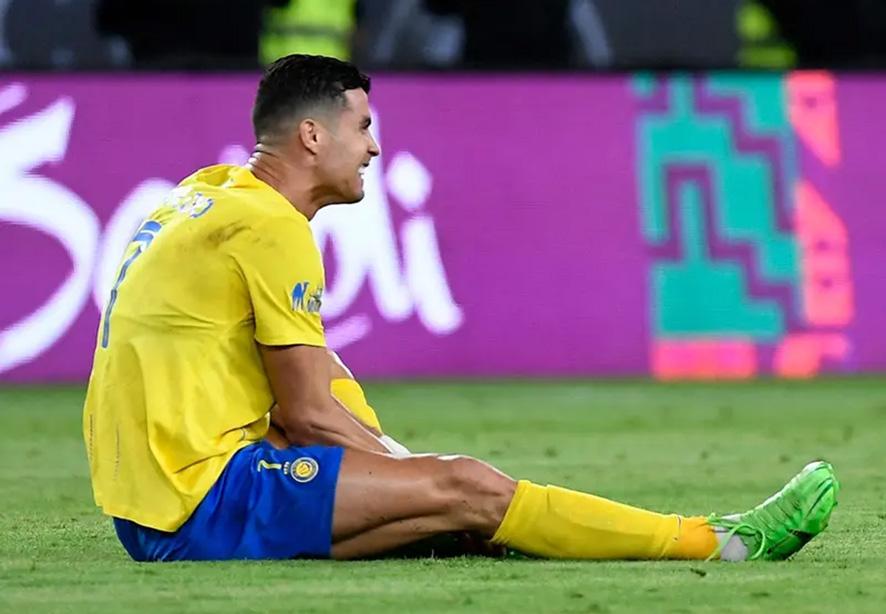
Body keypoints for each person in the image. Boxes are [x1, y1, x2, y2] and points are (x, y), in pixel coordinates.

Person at [83, 54, 839, 563]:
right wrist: (421, 474)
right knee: (467, 486)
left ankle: (466, 520)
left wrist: (401, 477)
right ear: (312, 135)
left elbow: (297, 393)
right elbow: (307, 416)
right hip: (202, 503)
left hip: (145, 507)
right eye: (363, 126)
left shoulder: (207, 191)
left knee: (348, 395)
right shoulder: (272, 226)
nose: (374, 148)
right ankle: (718, 541)